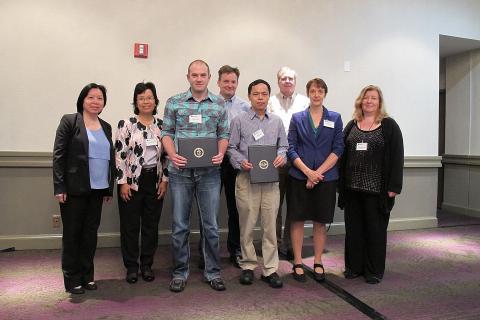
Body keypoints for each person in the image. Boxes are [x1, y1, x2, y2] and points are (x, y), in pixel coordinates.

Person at [161, 59, 229, 293]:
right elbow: (166, 133)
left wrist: (221, 153)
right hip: (180, 173)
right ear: (188, 77)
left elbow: (224, 134)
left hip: (210, 173)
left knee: (210, 225)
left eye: (203, 75)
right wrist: (172, 154)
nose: (199, 78)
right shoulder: (174, 102)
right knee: (180, 225)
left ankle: (213, 272)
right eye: (194, 75)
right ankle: (180, 272)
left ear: (209, 77)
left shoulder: (219, 104)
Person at [338, 85, 404, 284]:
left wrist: (394, 187)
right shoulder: (351, 125)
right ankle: (353, 267)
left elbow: (397, 157)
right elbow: (342, 155)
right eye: (366, 98)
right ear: (360, 101)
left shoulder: (389, 125)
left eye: (373, 98)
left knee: (375, 230)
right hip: (352, 190)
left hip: (377, 191)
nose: (369, 101)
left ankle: (373, 271)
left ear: (379, 102)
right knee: (354, 230)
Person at [53, 83, 115, 294]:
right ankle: (72, 279)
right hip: (74, 189)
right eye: (91, 97)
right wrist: (59, 186)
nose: (95, 101)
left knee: (90, 235)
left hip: (98, 189)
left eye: (100, 98)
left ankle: (87, 276)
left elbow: (110, 160)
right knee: (72, 235)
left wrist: (109, 189)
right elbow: (59, 155)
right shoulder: (70, 121)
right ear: (82, 100)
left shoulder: (106, 126)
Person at [228, 79, 288, 288]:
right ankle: (248, 266)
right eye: (256, 94)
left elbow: (284, 146)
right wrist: (239, 161)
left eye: (264, 94)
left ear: (268, 97)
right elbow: (231, 148)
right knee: (247, 225)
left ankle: (270, 269)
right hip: (247, 179)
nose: (260, 97)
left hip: (271, 181)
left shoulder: (277, 122)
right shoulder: (239, 121)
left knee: (270, 226)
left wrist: (282, 157)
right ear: (250, 96)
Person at [287, 78, 344, 282]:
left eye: (320, 91)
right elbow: (290, 148)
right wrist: (307, 172)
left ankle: (318, 260)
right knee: (298, 220)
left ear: (325, 94)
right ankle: (298, 261)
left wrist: (317, 173)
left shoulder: (335, 118)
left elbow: (338, 149)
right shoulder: (297, 118)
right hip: (299, 177)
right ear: (308, 93)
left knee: (320, 221)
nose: (316, 94)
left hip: (326, 178)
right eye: (313, 90)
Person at [115, 82, 168, 284]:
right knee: (129, 226)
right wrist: (122, 183)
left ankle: (146, 265)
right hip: (131, 182)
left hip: (154, 181)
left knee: (150, 225)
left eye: (149, 97)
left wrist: (165, 181)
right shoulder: (127, 124)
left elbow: (167, 158)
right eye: (141, 98)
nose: (146, 101)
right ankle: (131, 267)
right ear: (135, 102)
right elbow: (119, 155)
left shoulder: (162, 126)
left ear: (155, 100)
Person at [268, 67, 309, 257]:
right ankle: (274, 245)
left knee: (294, 204)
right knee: (274, 204)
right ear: (278, 81)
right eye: (283, 78)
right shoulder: (270, 101)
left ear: (295, 81)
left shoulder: (305, 102)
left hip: (297, 160)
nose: (287, 81)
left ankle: (291, 244)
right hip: (275, 159)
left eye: (291, 78)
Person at [217, 65, 250, 268]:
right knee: (210, 209)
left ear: (237, 83)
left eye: (233, 82)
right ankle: (208, 252)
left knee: (236, 208)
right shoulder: (211, 103)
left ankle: (235, 249)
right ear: (218, 82)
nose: (229, 85)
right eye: (226, 81)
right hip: (213, 160)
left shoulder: (246, 107)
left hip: (235, 163)